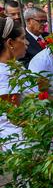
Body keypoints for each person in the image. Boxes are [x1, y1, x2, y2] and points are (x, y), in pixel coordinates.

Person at [0, 17, 28, 151]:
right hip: (18, 145)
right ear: (10, 43)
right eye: (23, 38)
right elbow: (15, 117)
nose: (26, 43)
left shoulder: (14, 67)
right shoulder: (4, 74)